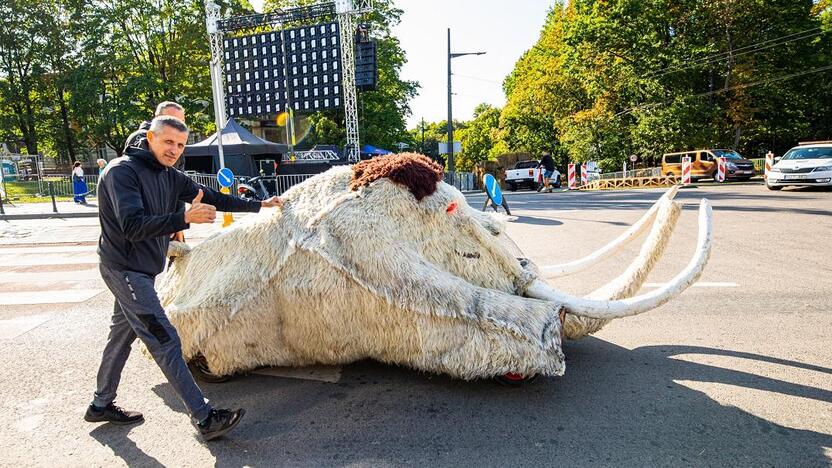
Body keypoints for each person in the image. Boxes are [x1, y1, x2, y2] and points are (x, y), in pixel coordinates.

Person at [85, 115, 283, 441]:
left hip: (142, 271)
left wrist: (260, 204)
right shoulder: (122, 172)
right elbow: (132, 226)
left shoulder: (169, 175)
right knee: (165, 339)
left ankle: (100, 403)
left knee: (121, 337)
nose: (174, 150)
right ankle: (205, 417)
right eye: (168, 142)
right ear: (150, 137)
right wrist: (184, 217)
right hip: (124, 269)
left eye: (180, 144)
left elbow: (212, 196)